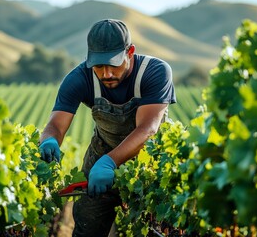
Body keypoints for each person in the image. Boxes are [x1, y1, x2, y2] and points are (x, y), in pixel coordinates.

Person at [38, 19, 176, 236]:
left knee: (155, 226)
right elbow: (56, 124)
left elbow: (148, 129)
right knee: (87, 224)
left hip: (149, 163)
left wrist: (110, 162)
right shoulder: (79, 78)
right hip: (101, 156)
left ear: (130, 52)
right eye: (99, 66)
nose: (106, 74)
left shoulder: (155, 72)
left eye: (113, 64)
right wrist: (49, 140)